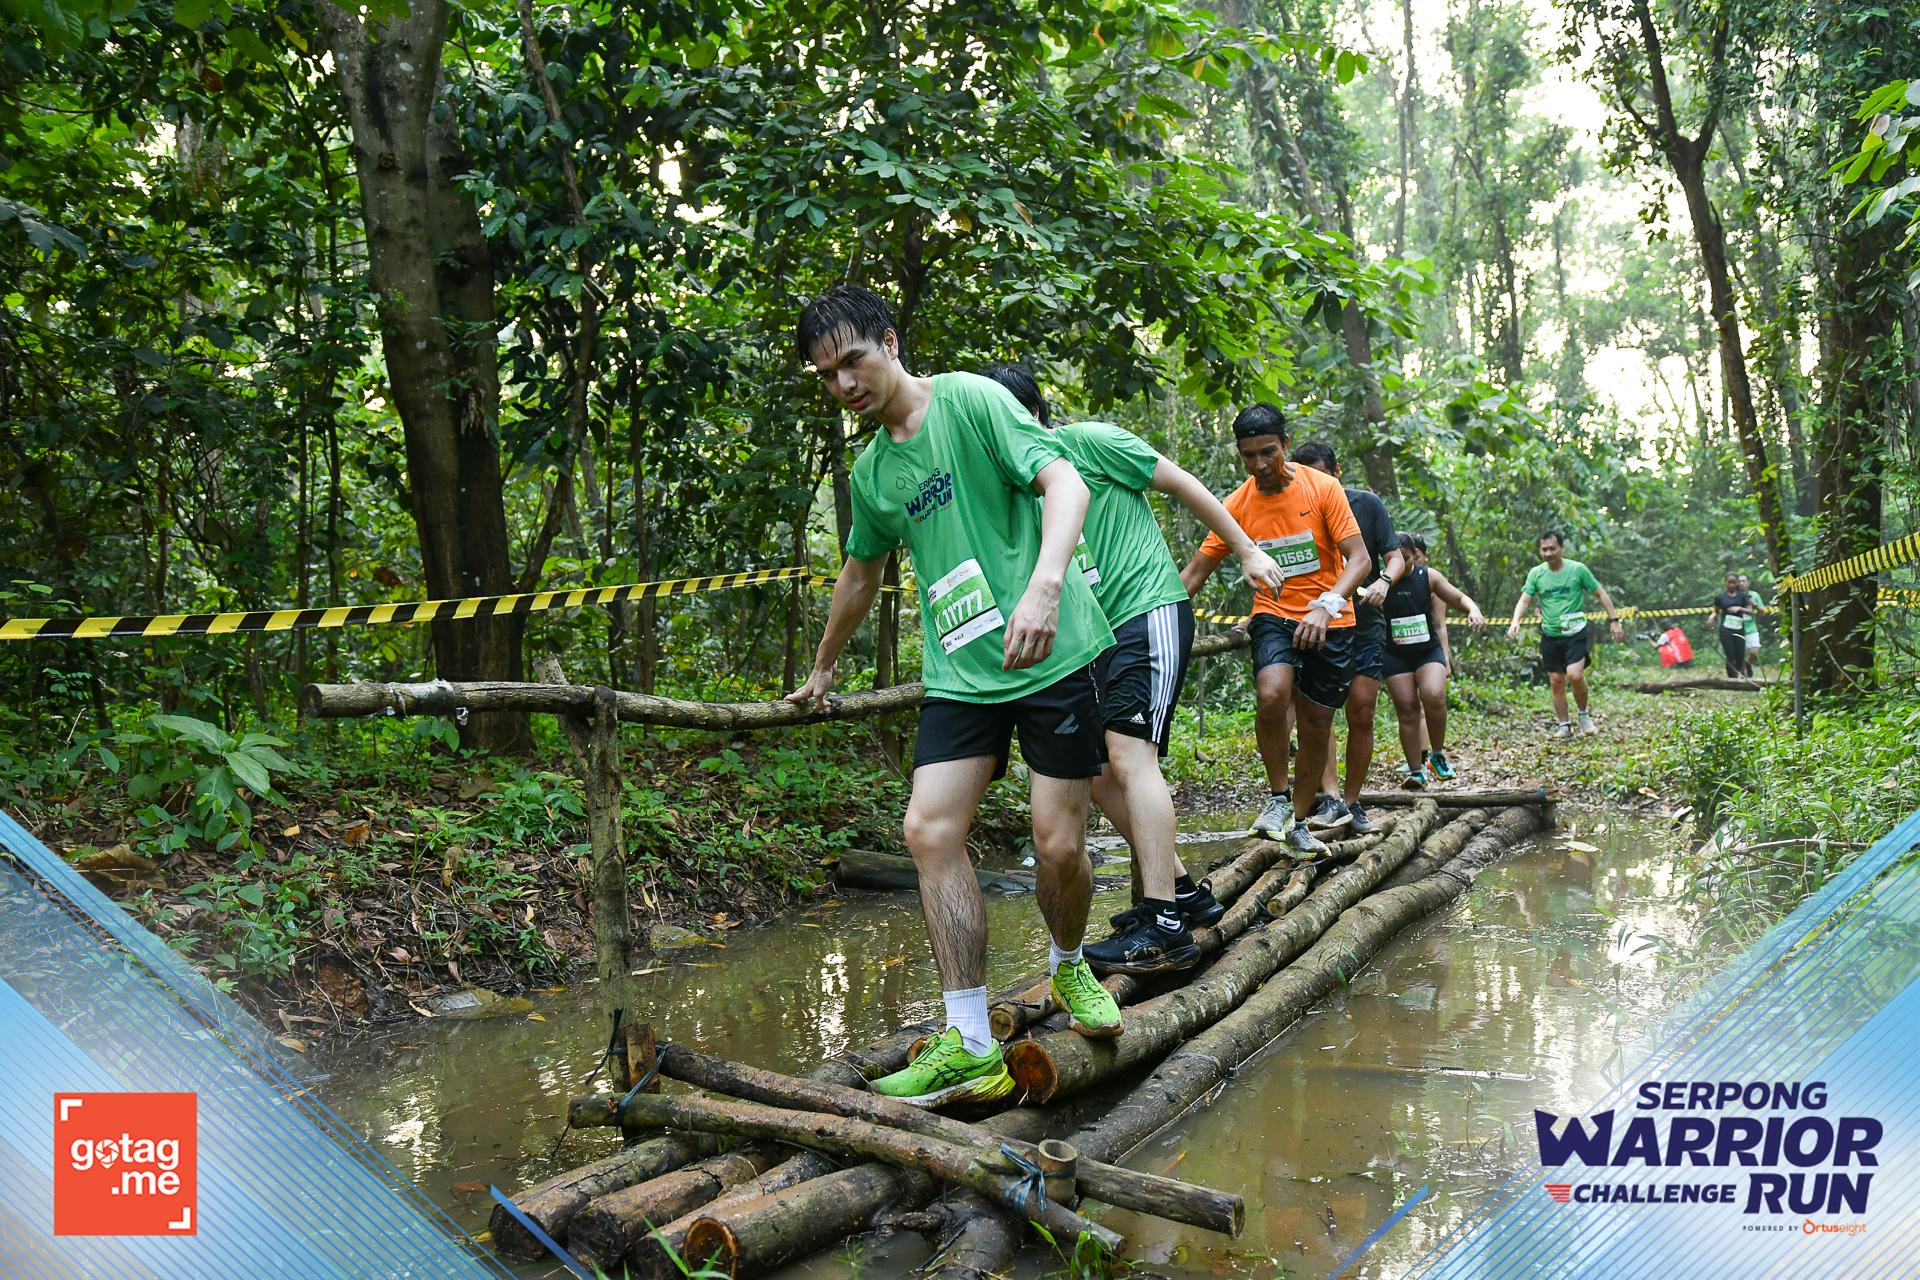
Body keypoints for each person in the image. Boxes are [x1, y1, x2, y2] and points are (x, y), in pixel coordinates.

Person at [786, 286, 1121, 1106]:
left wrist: (1045, 586)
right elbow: (860, 573)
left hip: (1053, 652)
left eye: (853, 361)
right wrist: (824, 666)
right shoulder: (873, 472)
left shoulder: (972, 401)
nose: (844, 385)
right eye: (827, 375)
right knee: (927, 829)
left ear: (891, 344)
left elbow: (1065, 484)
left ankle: (1068, 965)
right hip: (963, 672)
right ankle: (970, 1039)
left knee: (1058, 849)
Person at [979, 365, 1287, 976]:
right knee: (1096, 772)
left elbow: (1183, 484)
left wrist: (1247, 549)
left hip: (1147, 612)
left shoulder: (1090, 442)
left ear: (1027, 416)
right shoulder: (1018, 486)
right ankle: (1184, 893)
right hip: (1094, 636)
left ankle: (1164, 924)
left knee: (1128, 755)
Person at [1181, 404, 1371, 854]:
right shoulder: (1236, 505)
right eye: (1249, 455)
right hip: (1274, 614)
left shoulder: (1322, 488)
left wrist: (1326, 606)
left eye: (1268, 451)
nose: (1260, 464)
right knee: (1271, 694)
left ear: (1286, 444)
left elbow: (1360, 560)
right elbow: (1193, 574)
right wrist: (1146, 618)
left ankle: (1299, 821)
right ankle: (1278, 798)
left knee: (1317, 724)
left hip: (1331, 620)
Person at [1288, 441, 1405, 836]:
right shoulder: (1291, 506)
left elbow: (1395, 557)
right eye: (1307, 478)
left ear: (1337, 473)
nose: (1315, 485)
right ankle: (1330, 797)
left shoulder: (1367, 504)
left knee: (1362, 710)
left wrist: (1384, 581)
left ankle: (1353, 801)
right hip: (1315, 623)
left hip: (1365, 622)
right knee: (1318, 714)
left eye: (1322, 476)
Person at [1382, 533, 1486, 787]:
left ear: (1414, 555)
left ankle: (1437, 756)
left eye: (1406, 558)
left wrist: (1473, 609)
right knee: (1407, 709)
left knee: (1434, 695)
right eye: (1394, 560)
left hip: (1427, 651)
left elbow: (1458, 597)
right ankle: (1415, 771)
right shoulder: (1380, 580)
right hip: (1395, 654)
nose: (1400, 564)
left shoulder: (1428, 576)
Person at [1505, 530, 1624, 738]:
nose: (1548, 553)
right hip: (1550, 634)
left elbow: (1600, 593)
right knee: (1556, 680)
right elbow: (1524, 600)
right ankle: (1565, 726)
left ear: (1562, 548)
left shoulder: (1578, 570)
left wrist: (1614, 621)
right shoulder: (1536, 573)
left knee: (1575, 675)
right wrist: (1515, 621)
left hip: (1575, 632)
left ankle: (1584, 716)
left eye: (1552, 549)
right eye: (1544, 550)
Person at [1709, 572, 1757, 679]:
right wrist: (1711, 618)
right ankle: (1732, 677)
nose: (1731, 585)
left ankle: (1741, 670)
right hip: (1725, 629)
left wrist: (1739, 609)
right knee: (1730, 654)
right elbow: (1716, 611)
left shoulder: (1743, 596)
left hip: (1738, 629)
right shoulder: (1720, 597)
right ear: (1725, 583)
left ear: (1737, 583)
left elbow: (1750, 611)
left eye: (1734, 582)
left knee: (1740, 654)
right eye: (1729, 582)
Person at [1739, 572, 1764, 676]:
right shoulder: (1734, 595)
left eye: (1743, 581)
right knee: (1739, 655)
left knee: (1754, 652)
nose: (1741, 583)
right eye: (1739, 581)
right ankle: (1743, 677)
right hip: (1737, 628)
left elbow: (1763, 612)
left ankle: (1748, 663)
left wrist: (1755, 604)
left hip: (1751, 628)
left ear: (1748, 583)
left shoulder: (1754, 595)